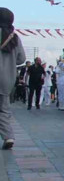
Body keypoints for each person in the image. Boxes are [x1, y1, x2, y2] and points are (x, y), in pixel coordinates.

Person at [0, 8, 25, 149]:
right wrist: (9, 61)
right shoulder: (14, 37)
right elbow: (21, 59)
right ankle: (8, 136)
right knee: (3, 109)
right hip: (7, 79)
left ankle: (8, 136)